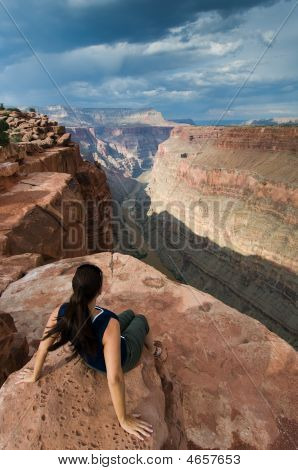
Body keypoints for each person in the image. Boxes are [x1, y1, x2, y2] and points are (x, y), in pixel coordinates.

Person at [19, 262, 166, 441]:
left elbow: (43, 346)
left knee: (129, 313)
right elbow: (115, 378)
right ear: (99, 290)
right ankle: (154, 351)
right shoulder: (109, 324)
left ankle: (143, 342)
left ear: (75, 287)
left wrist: (35, 375)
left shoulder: (62, 311)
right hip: (124, 354)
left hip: (91, 356)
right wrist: (123, 419)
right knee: (141, 319)